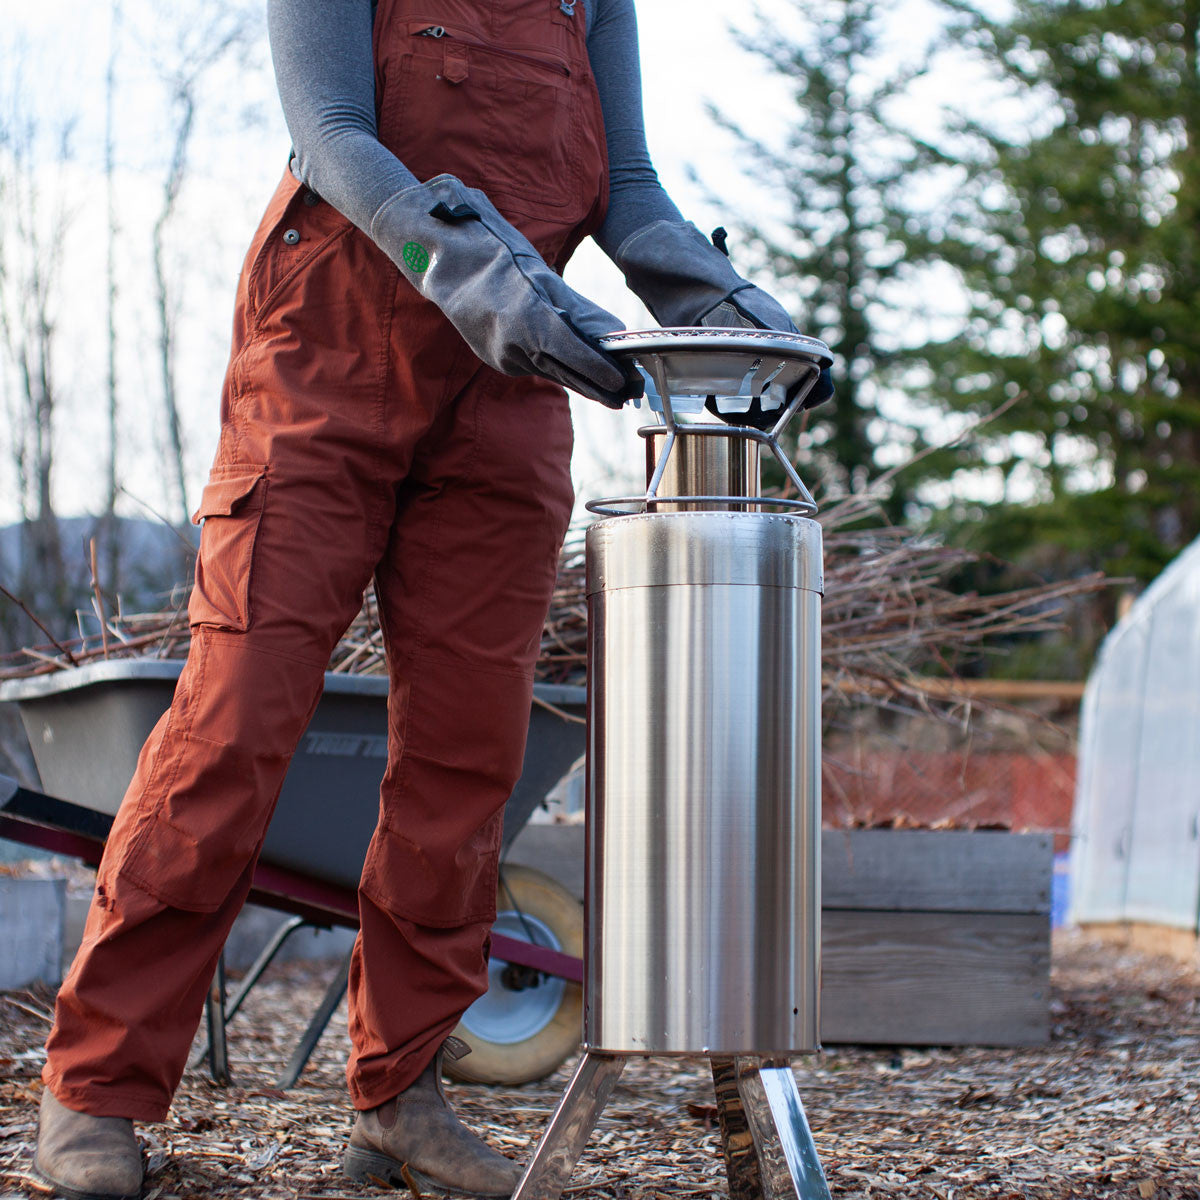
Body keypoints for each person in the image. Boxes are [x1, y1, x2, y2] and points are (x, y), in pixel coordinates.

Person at [33, 2, 831, 1198]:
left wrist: (725, 307)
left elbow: (629, 192)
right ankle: (96, 1089)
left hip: (505, 394)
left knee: (465, 758)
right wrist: (470, 271)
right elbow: (333, 136)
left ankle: (401, 1098)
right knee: (233, 728)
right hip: (325, 370)